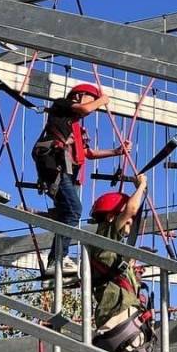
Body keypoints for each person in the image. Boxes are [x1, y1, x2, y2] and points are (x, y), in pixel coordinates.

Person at [32, 82, 130, 274]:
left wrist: (117, 151)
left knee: (68, 213)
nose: (93, 107)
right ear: (79, 96)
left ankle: (57, 258)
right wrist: (102, 100)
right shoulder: (61, 106)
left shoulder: (74, 127)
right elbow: (85, 109)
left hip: (64, 171)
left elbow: (87, 153)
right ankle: (58, 259)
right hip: (54, 167)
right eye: (91, 100)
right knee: (74, 209)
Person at [88, 173, 155, 352]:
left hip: (110, 323)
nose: (129, 223)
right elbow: (131, 209)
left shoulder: (108, 250)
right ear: (110, 217)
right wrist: (142, 187)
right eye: (124, 219)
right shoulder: (106, 236)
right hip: (121, 319)